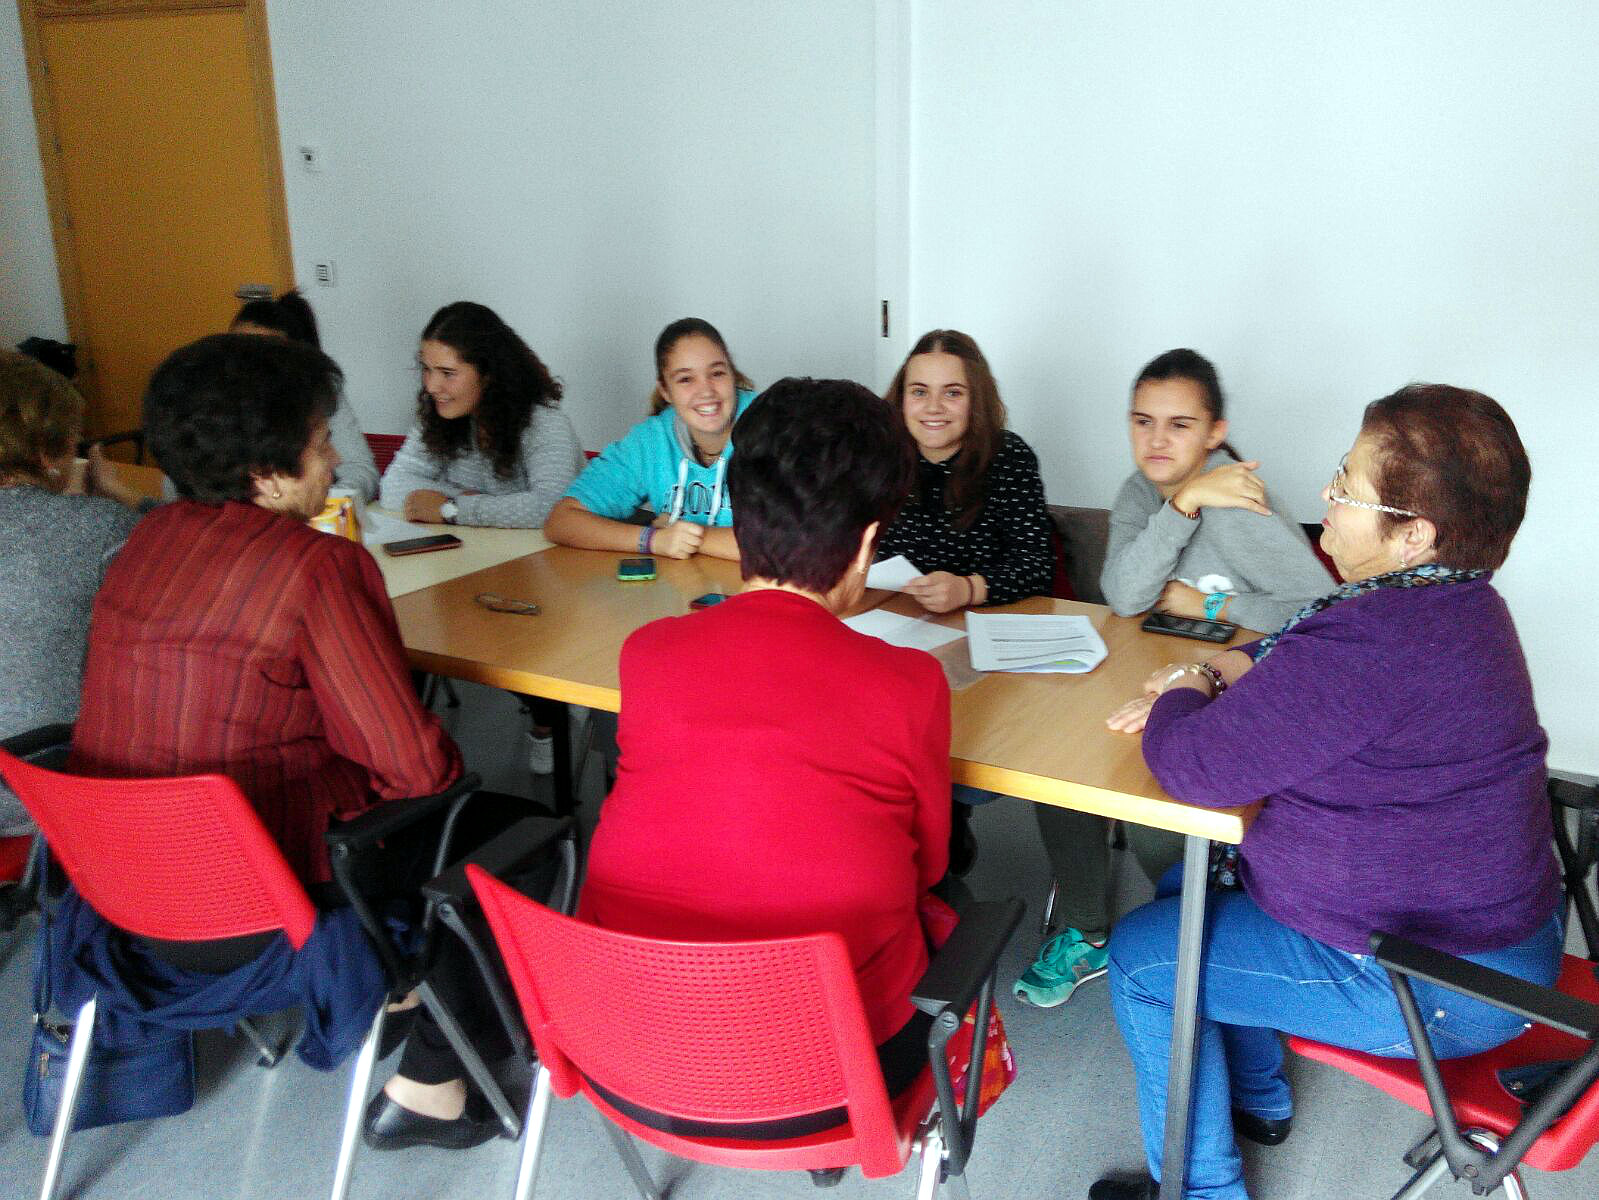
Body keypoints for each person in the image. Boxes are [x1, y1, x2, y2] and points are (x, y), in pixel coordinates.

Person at [1089, 385, 1562, 1200]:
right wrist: (1227, 665)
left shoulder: (1377, 641)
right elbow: (1290, 647)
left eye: (1345, 486)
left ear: (1412, 534)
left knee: (1141, 956)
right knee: (1186, 886)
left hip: (1436, 982)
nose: (1324, 496)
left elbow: (1193, 767)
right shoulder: (1451, 604)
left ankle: (1201, 1192)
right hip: (1488, 936)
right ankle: (1258, 1099)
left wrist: (1186, 679)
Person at [69, 333, 515, 1151]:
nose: (335, 456)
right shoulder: (313, 567)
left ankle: (401, 998)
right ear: (266, 471)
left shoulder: (143, 544)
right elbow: (417, 771)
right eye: (318, 440)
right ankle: (431, 1085)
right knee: (511, 837)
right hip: (260, 907)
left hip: (122, 893)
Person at [580, 377, 952, 1110]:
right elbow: (927, 866)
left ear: (738, 515)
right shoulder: (909, 683)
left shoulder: (646, 653)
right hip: (832, 1080)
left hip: (629, 1055)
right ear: (866, 544)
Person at [1015, 350, 1330, 1010]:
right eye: (1142, 421)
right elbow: (1126, 595)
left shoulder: (1238, 504)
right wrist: (1182, 503)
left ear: (1214, 432)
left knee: (1158, 809)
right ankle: (1086, 930)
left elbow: (1317, 610)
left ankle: (1199, 928)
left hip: (1232, 686)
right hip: (1149, 671)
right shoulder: (1142, 491)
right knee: (1065, 767)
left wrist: (1211, 605)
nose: (1156, 440)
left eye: (1180, 425)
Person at [875, 329, 1053, 878]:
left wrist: (969, 588)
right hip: (896, 633)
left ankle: (940, 836)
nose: (933, 407)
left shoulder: (1009, 457)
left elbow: (1037, 565)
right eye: (919, 391)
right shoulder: (880, 457)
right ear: (900, 398)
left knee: (940, 746)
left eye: (952, 392)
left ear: (976, 399)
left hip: (989, 644)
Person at [0, 350, 143, 836]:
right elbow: (180, 565)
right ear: (47, 454)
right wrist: (118, 500)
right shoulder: (98, 527)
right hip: (35, 791)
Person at [543, 317, 753, 560]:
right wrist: (652, 540)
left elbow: (788, 545)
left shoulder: (774, 425)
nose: (706, 391)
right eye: (686, 379)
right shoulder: (651, 441)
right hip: (684, 581)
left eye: (717, 373)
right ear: (665, 391)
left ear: (732, 375)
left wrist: (689, 536)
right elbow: (561, 521)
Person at [380, 301, 583, 528]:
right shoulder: (438, 412)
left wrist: (452, 508)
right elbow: (392, 486)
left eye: (448, 373)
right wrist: (459, 499)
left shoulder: (545, 423)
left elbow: (552, 507)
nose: (432, 387)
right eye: (427, 369)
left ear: (488, 374)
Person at [230, 288, 379, 501]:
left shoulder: (319, 389)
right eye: (236, 351)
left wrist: (322, 502)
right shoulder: (212, 402)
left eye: (263, 356)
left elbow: (360, 469)